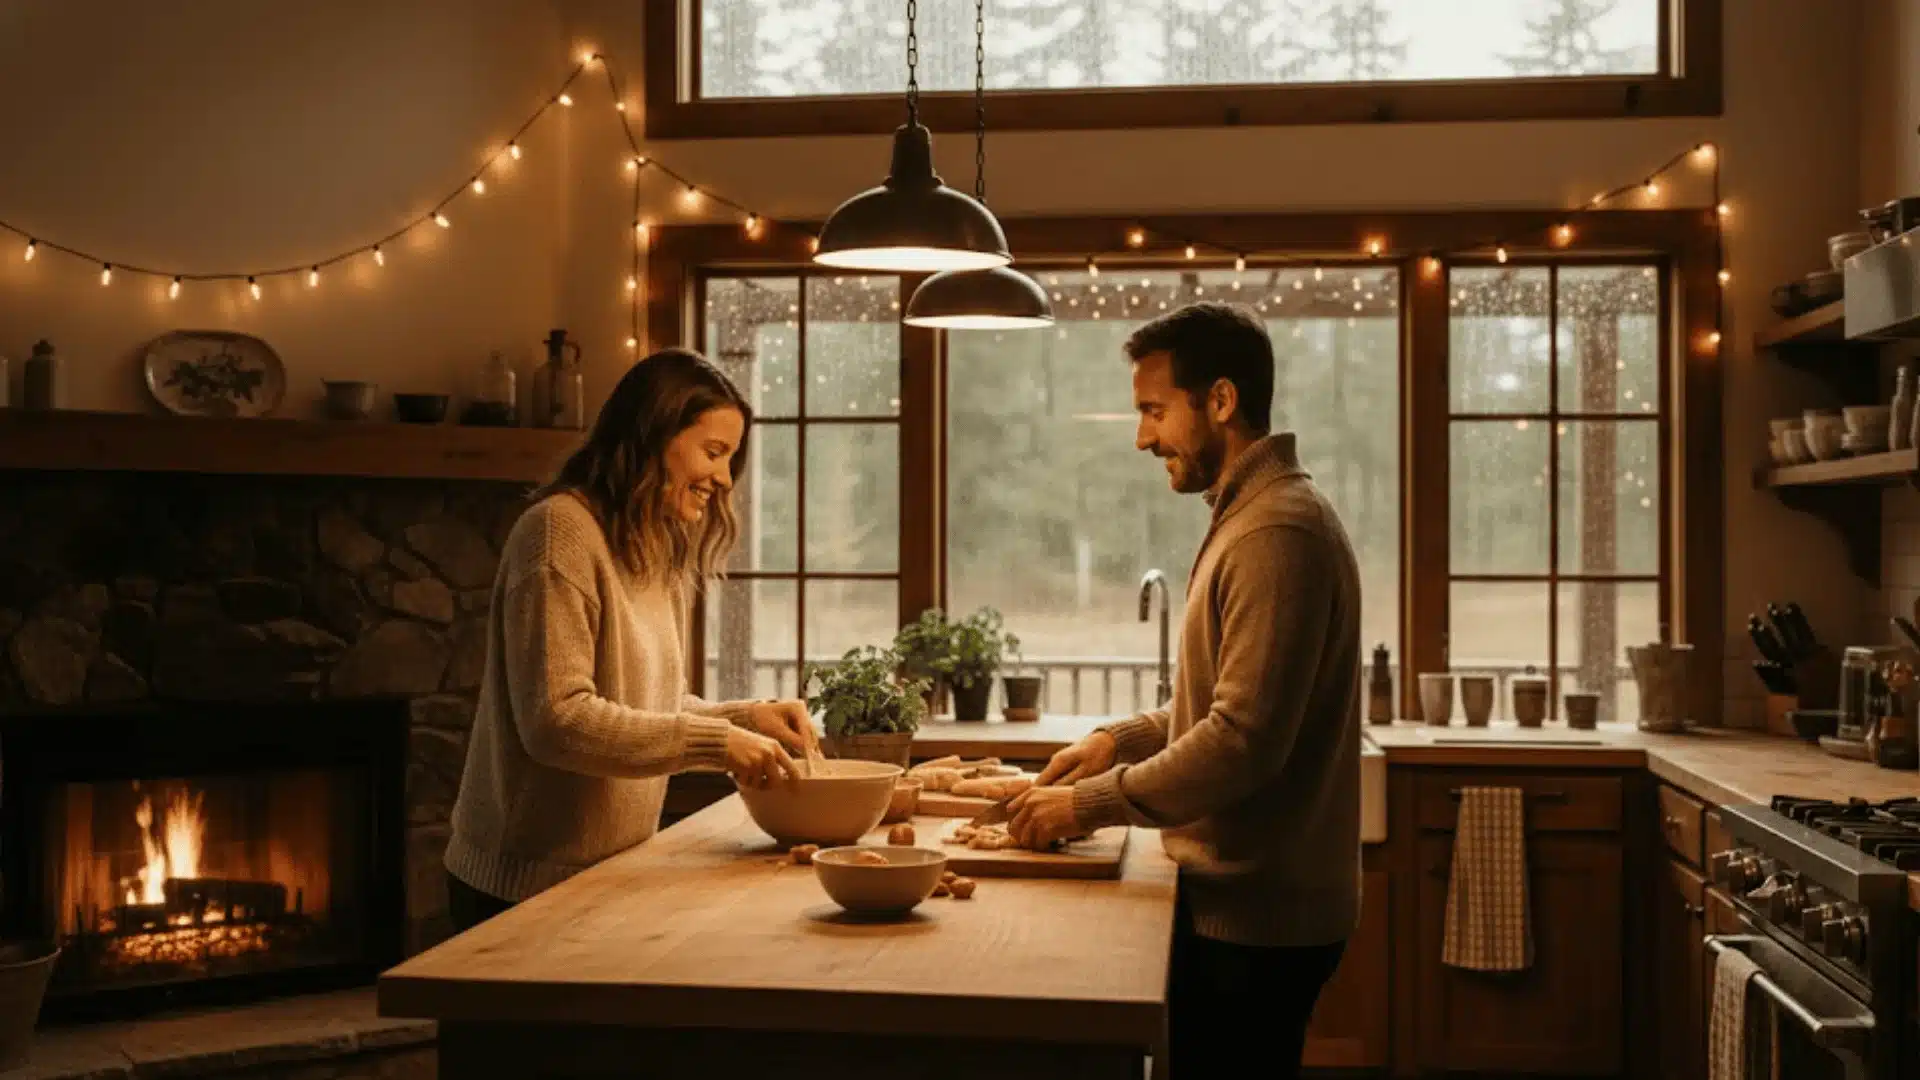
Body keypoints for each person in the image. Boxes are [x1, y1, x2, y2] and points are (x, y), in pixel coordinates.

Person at [1006, 302, 1363, 1080]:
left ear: (1222, 401)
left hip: (1258, 919)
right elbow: (1225, 702)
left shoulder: (1276, 533)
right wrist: (1118, 741)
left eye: (1154, 410)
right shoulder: (1257, 517)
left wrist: (1087, 804)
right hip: (1247, 910)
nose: (1143, 436)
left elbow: (1241, 740)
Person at [443, 347, 818, 933]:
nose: (723, 479)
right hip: (522, 889)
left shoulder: (653, 544)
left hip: (609, 873)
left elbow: (644, 710)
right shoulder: (557, 533)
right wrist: (720, 742)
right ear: (653, 434)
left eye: (730, 458)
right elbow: (558, 722)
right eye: (714, 452)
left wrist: (748, 718)